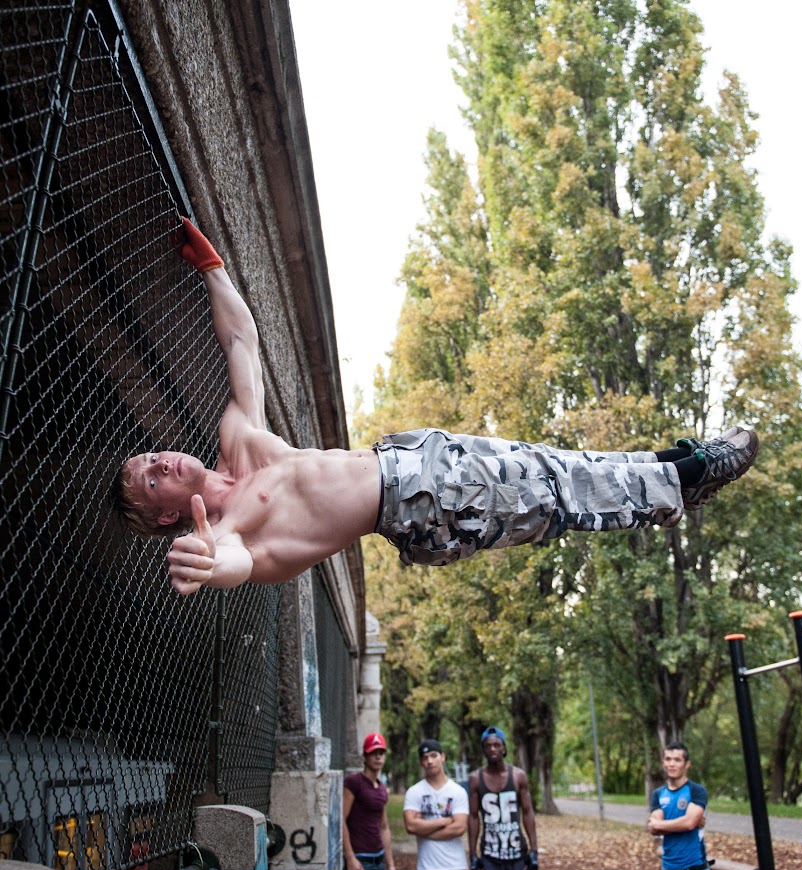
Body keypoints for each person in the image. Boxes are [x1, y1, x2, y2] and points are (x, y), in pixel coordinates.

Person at [112, 218, 760, 594]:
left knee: (552, 467)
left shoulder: (239, 439)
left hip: (419, 458)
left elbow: (242, 342)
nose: (162, 460)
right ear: (169, 513)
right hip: (421, 504)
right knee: (552, 490)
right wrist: (207, 564)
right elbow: (235, 565)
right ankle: (681, 478)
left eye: (150, 455)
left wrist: (214, 268)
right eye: (151, 478)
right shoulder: (230, 534)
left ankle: (670, 475)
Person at [468, 726, 538, 870]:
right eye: (488, 746)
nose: (492, 749)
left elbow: (528, 813)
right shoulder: (476, 779)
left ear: (504, 748)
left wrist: (534, 850)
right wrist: (472, 855)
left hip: (517, 855)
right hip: (490, 856)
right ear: (483, 750)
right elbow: (473, 816)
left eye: (497, 745)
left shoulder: (518, 776)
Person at [648, 741, 717, 870]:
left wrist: (661, 824)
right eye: (668, 759)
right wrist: (682, 822)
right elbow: (653, 828)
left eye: (677, 760)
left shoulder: (696, 790)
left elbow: (689, 823)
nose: (672, 764)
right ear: (663, 762)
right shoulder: (658, 794)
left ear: (687, 764)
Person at [403, 739, 469, 870]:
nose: (430, 761)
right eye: (425, 758)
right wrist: (444, 821)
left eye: (433, 756)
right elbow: (411, 826)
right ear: (421, 762)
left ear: (443, 757)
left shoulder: (458, 792)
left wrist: (424, 828)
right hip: (428, 867)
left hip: (455, 865)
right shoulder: (414, 792)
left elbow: (459, 828)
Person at [343, 732, 398, 870]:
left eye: (381, 753)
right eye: (373, 753)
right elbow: (341, 821)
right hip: (360, 859)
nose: (378, 757)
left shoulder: (381, 788)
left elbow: (384, 826)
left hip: (378, 859)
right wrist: (350, 858)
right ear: (364, 756)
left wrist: (390, 865)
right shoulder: (354, 783)